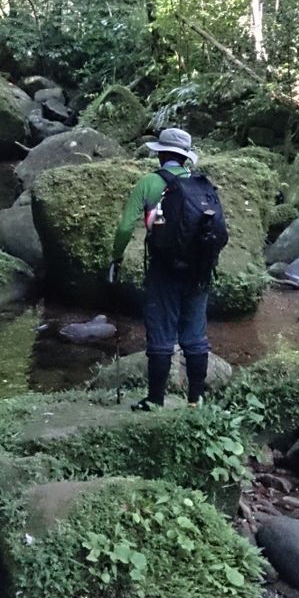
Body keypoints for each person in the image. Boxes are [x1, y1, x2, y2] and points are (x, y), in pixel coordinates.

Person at [109, 127, 212, 411]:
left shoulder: (148, 184)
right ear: (184, 158)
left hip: (164, 270)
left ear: (161, 154)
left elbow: (125, 227)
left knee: (162, 334)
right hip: (199, 270)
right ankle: (195, 400)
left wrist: (116, 257)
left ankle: (155, 400)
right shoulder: (201, 185)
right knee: (195, 334)